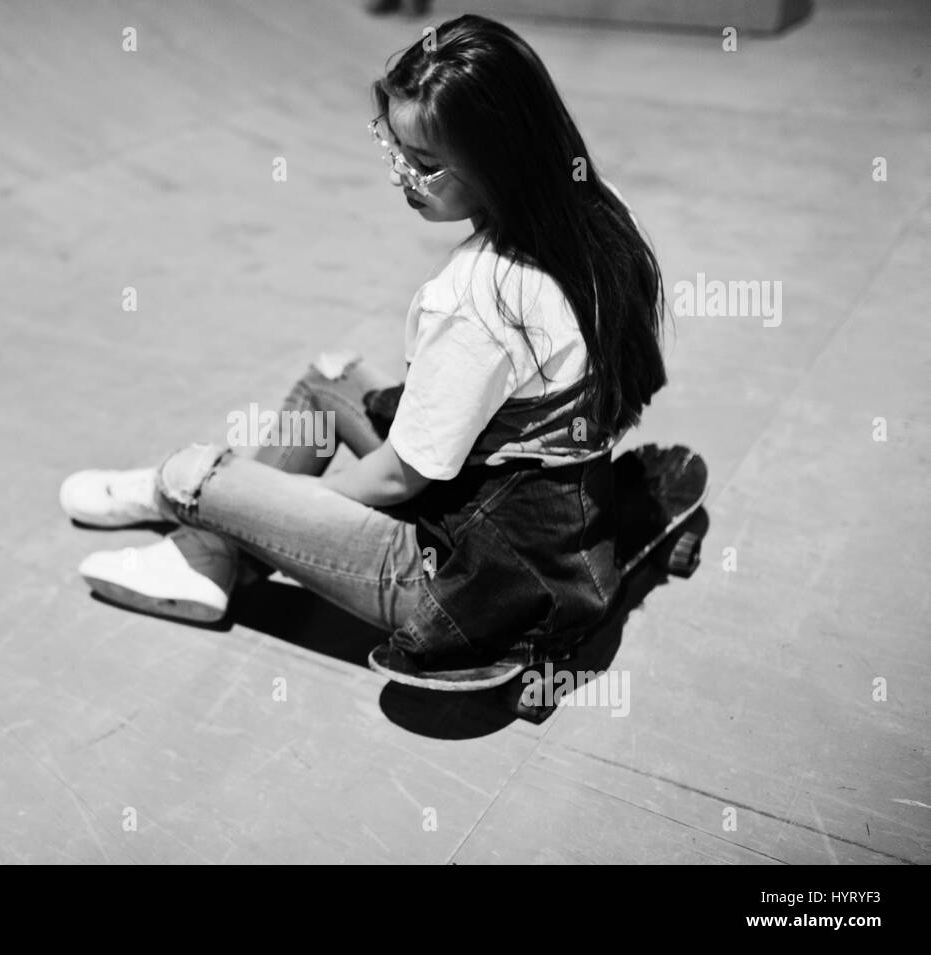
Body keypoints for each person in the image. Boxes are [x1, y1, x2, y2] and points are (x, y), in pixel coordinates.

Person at [59, 15, 667, 687]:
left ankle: (189, 517)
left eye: (427, 165)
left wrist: (265, 505)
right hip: (528, 517)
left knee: (197, 473)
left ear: (500, 158)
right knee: (332, 378)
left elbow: (398, 480)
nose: (402, 176)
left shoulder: (477, 294)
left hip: (459, 579)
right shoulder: (598, 212)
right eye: (394, 146)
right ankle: (210, 559)